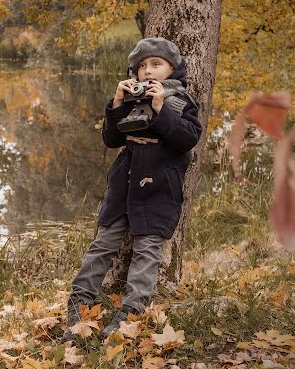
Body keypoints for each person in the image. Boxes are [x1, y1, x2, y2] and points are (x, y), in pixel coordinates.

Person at [63, 37, 203, 342]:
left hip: (158, 190)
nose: (149, 71)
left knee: (147, 251)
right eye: (142, 66)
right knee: (102, 245)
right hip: (123, 187)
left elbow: (188, 139)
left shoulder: (181, 102)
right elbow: (111, 140)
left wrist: (160, 109)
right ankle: (78, 307)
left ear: (172, 69)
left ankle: (131, 313)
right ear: (134, 73)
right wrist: (115, 105)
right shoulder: (127, 101)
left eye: (157, 64)